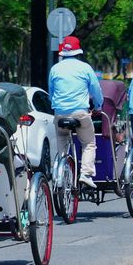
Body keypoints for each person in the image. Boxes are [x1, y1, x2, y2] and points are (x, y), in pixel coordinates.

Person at [48, 35, 104, 190]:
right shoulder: (85, 68)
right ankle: (85, 174)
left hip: (60, 114)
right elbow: (96, 90)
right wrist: (98, 106)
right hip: (80, 113)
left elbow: (51, 92)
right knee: (89, 143)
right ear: (78, 52)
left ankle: (62, 169)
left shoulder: (55, 69)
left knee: (62, 139)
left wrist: (57, 107)